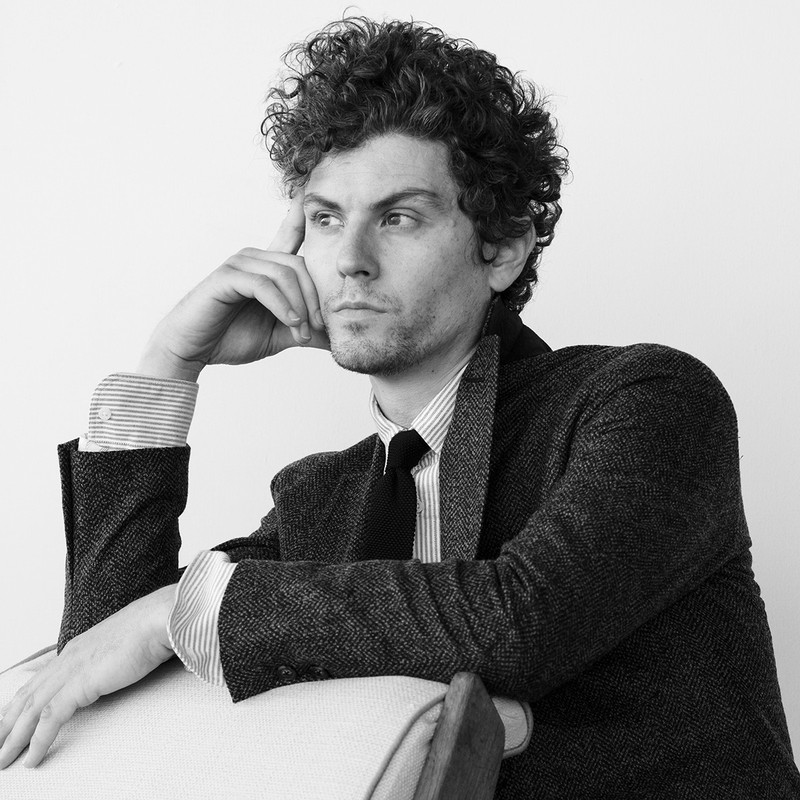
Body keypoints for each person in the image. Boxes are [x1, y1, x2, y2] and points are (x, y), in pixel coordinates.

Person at [1, 16, 798, 798]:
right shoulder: (318, 501)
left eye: (399, 217)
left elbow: (516, 625)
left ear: (502, 248)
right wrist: (169, 366)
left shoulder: (647, 403)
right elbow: (94, 682)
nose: (350, 260)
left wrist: (182, 612)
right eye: (326, 219)